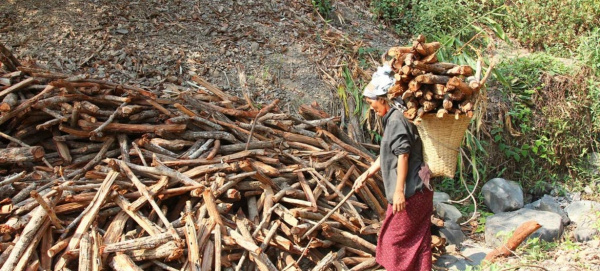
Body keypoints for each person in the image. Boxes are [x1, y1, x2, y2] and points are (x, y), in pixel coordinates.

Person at [353, 65, 433, 271]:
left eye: (371, 102)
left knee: (392, 242)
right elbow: (387, 153)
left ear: (383, 99)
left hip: (411, 192)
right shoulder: (395, 117)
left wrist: (399, 192)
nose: (371, 107)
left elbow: (403, 154)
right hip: (421, 189)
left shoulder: (396, 120)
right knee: (418, 239)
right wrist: (366, 174)